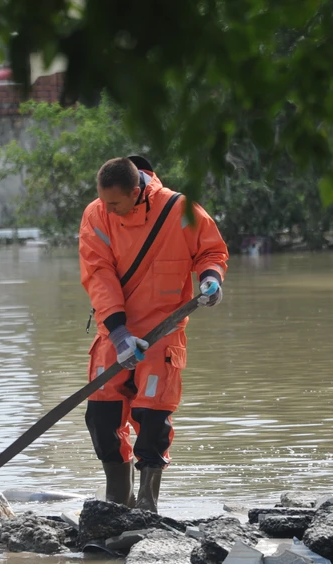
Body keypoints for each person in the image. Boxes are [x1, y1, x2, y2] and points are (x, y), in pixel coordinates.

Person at [78, 156, 229, 513]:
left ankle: (147, 505)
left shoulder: (180, 209)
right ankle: (117, 501)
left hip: (164, 332)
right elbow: (98, 274)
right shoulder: (96, 215)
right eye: (103, 201)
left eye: (115, 203)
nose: (109, 210)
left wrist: (210, 278)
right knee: (102, 417)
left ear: (136, 191)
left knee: (153, 419)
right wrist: (118, 334)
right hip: (114, 331)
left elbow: (211, 249)